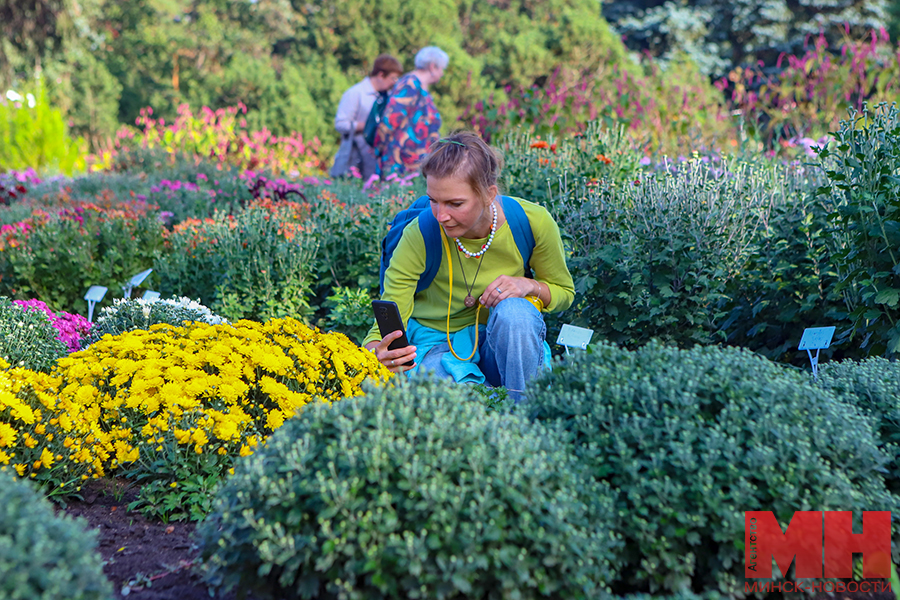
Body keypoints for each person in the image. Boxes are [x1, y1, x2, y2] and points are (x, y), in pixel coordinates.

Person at [362, 131, 575, 402]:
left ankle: (525, 417)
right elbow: (391, 316)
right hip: (436, 347)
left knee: (516, 313)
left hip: (503, 347)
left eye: (455, 203)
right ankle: (493, 418)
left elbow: (564, 293)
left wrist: (528, 285)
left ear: (489, 194)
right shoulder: (420, 233)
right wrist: (374, 353)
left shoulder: (532, 222)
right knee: (439, 382)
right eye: (433, 200)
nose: (441, 215)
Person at [374, 46, 448, 178]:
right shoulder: (409, 84)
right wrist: (378, 149)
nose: (442, 73)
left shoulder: (421, 88)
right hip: (401, 162)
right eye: (441, 69)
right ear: (432, 67)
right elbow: (390, 119)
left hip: (418, 163)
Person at [330, 54, 403, 181]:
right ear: (381, 75)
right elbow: (340, 124)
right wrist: (368, 125)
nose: (394, 83)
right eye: (393, 78)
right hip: (354, 159)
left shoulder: (388, 96)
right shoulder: (355, 93)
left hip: (378, 160)